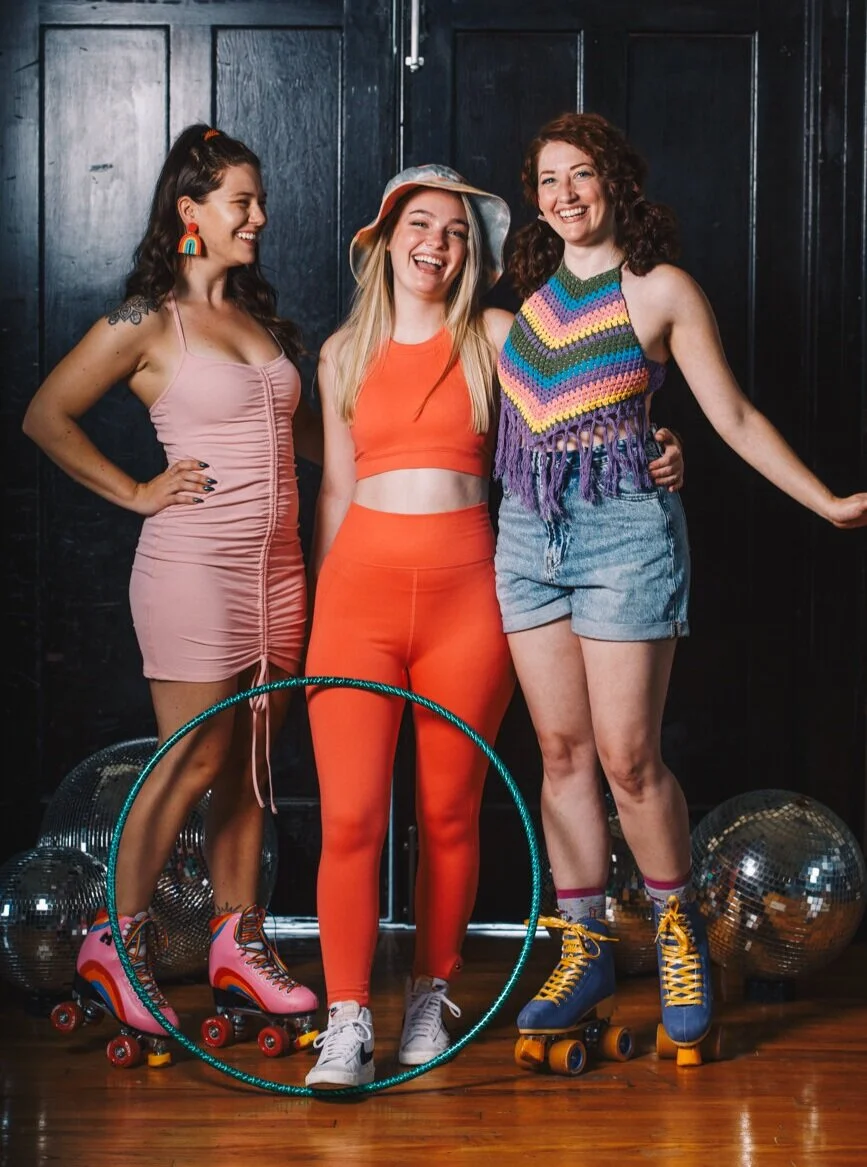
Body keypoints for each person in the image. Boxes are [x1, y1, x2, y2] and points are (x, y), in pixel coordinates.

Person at [301, 163, 685, 1090]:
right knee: (349, 818)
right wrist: (316, 612)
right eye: (419, 224)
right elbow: (337, 489)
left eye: (455, 231)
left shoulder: (500, 335)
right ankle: (346, 1019)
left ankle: (429, 995)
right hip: (355, 600)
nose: (436, 242)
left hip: (469, 599)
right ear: (384, 241)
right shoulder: (341, 352)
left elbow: (595, 398)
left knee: (447, 812)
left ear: (470, 253)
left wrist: (657, 440)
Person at [493, 111, 867, 1061]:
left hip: (624, 535)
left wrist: (824, 501)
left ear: (615, 181)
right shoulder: (522, 297)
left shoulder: (657, 290)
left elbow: (730, 413)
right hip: (525, 535)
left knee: (627, 759)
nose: (564, 194)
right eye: (547, 180)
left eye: (580, 174)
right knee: (561, 755)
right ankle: (582, 953)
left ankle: (676, 937)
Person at [22, 124, 320, 1064]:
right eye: (241, 202)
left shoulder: (261, 322)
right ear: (191, 211)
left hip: (280, 572)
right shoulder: (149, 319)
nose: (258, 217)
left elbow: (307, 441)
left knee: (253, 766)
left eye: (259, 201)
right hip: (193, 563)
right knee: (192, 756)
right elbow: (46, 414)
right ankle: (117, 941)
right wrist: (137, 491)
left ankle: (238, 942)